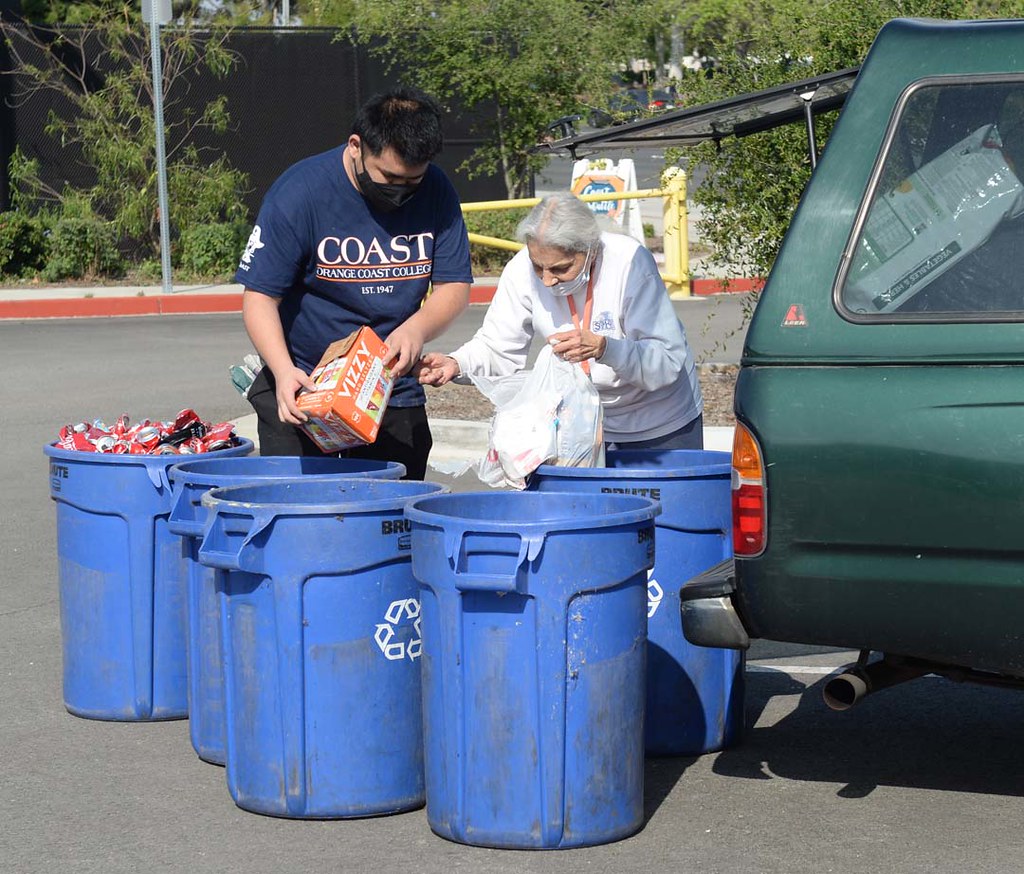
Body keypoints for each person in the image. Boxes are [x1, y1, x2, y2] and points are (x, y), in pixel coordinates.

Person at [236, 87, 473, 479]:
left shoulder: (436, 189)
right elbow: (260, 296)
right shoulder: (301, 191)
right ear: (355, 146)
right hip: (306, 389)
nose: (400, 191)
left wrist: (416, 329)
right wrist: (282, 371)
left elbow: (454, 287)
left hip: (390, 391)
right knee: (305, 519)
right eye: (389, 178)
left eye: (412, 182)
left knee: (391, 520)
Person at [416, 192, 703, 451]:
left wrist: (605, 349)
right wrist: (457, 364)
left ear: (590, 249)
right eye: (538, 266)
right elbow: (497, 347)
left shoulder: (629, 262)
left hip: (660, 423)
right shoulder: (520, 271)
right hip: (581, 424)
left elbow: (666, 361)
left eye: (561, 268)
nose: (547, 279)